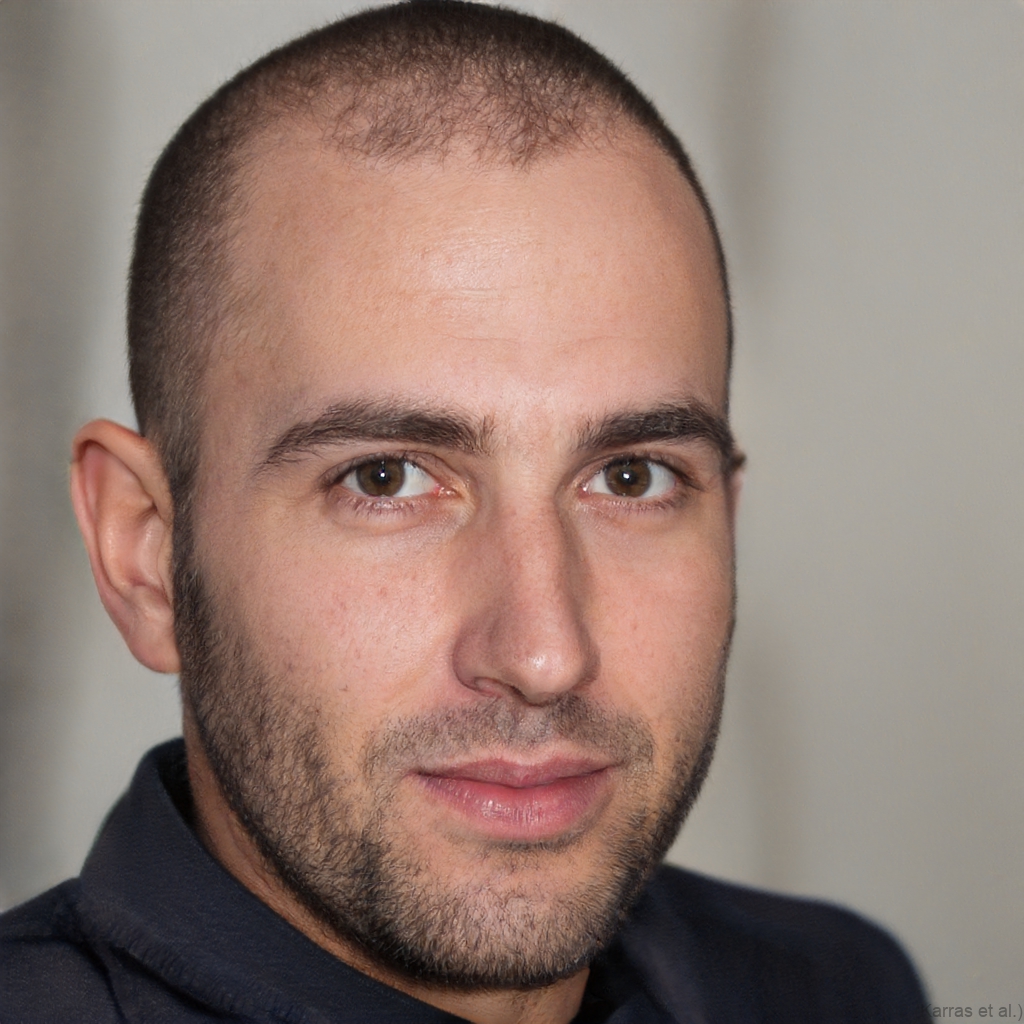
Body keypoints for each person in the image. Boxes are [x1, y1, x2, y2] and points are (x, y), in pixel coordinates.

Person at [0, 3, 930, 1022]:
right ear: (145, 554)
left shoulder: (834, 989)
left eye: (632, 478)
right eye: (385, 479)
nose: (544, 654)